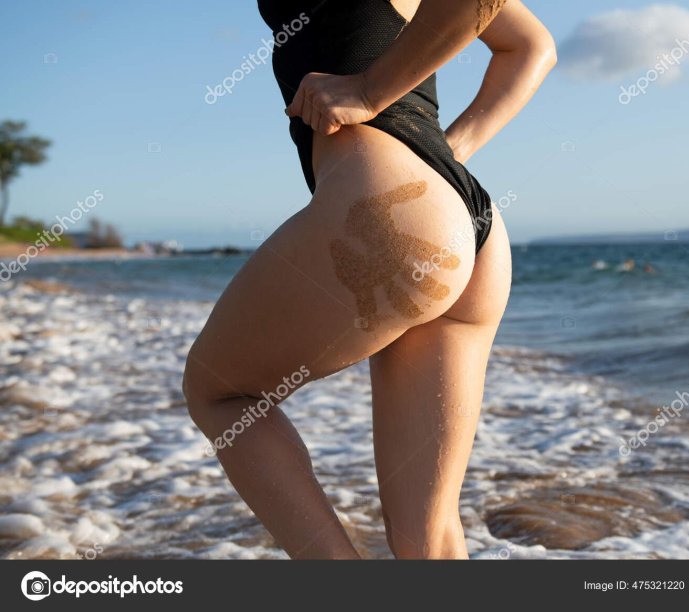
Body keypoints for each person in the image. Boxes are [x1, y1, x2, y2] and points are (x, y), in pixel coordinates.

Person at [182, 0, 556, 559]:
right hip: (463, 219)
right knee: (428, 538)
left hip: (396, 212)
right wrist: (446, 155)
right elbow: (532, 46)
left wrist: (370, 92)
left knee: (220, 393)